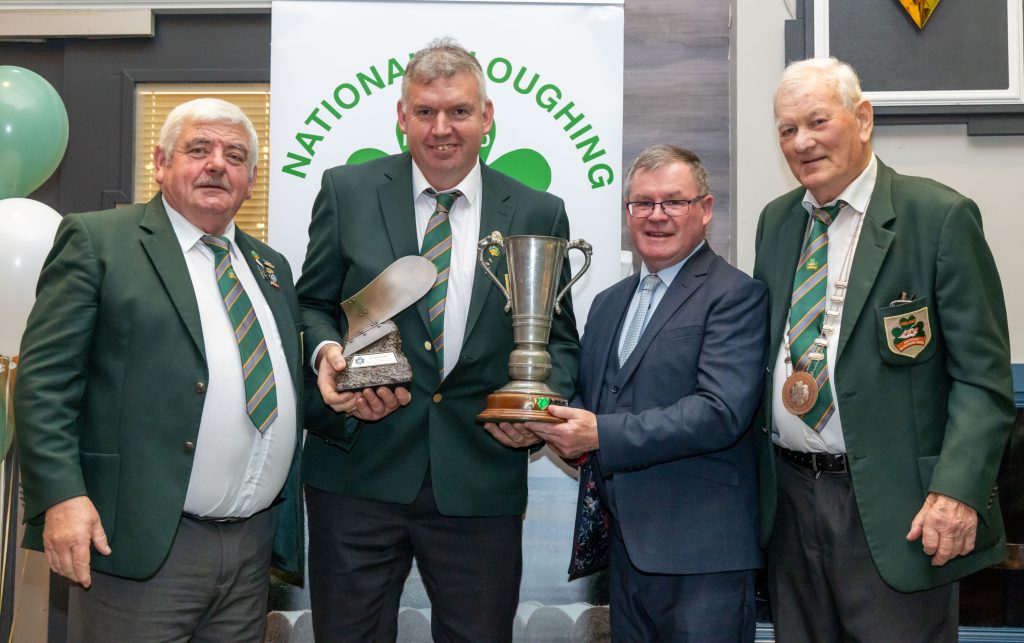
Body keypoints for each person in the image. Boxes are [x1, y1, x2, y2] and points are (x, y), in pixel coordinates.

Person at [297, 37, 580, 642]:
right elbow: (312, 304)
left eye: (458, 111)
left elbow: (558, 341)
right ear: (402, 118)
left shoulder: (538, 211)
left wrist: (537, 406)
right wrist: (327, 355)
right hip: (357, 474)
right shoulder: (346, 191)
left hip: (479, 477)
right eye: (425, 112)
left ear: (487, 117)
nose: (442, 128)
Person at [14, 98, 305, 642]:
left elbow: (282, 386)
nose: (217, 163)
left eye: (235, 155)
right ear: (161, 162)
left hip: (250, 551)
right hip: (138, 544)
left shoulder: (270, 267)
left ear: (251, 178)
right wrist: (61, 497)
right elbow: (44, 384)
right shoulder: (100, 241)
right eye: (199, 149)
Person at [754, 57, 1015, 641]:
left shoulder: (938, 217)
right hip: (791, 506)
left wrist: (956, 491)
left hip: (901, 511)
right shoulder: (776, 224)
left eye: (817, 121)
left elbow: (983, 379)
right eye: (786, 130)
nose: (802, 142)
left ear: (863, 119)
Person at [492, 144, 768, 641]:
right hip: (622, 553)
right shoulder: (607, 303)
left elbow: (720, 412)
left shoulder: (735, 294)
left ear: (704, 210)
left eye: (673, 202)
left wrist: (598, 434)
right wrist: (531, 419)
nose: (656, 216)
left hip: (702, 559)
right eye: (642, 203)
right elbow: (584, 402)